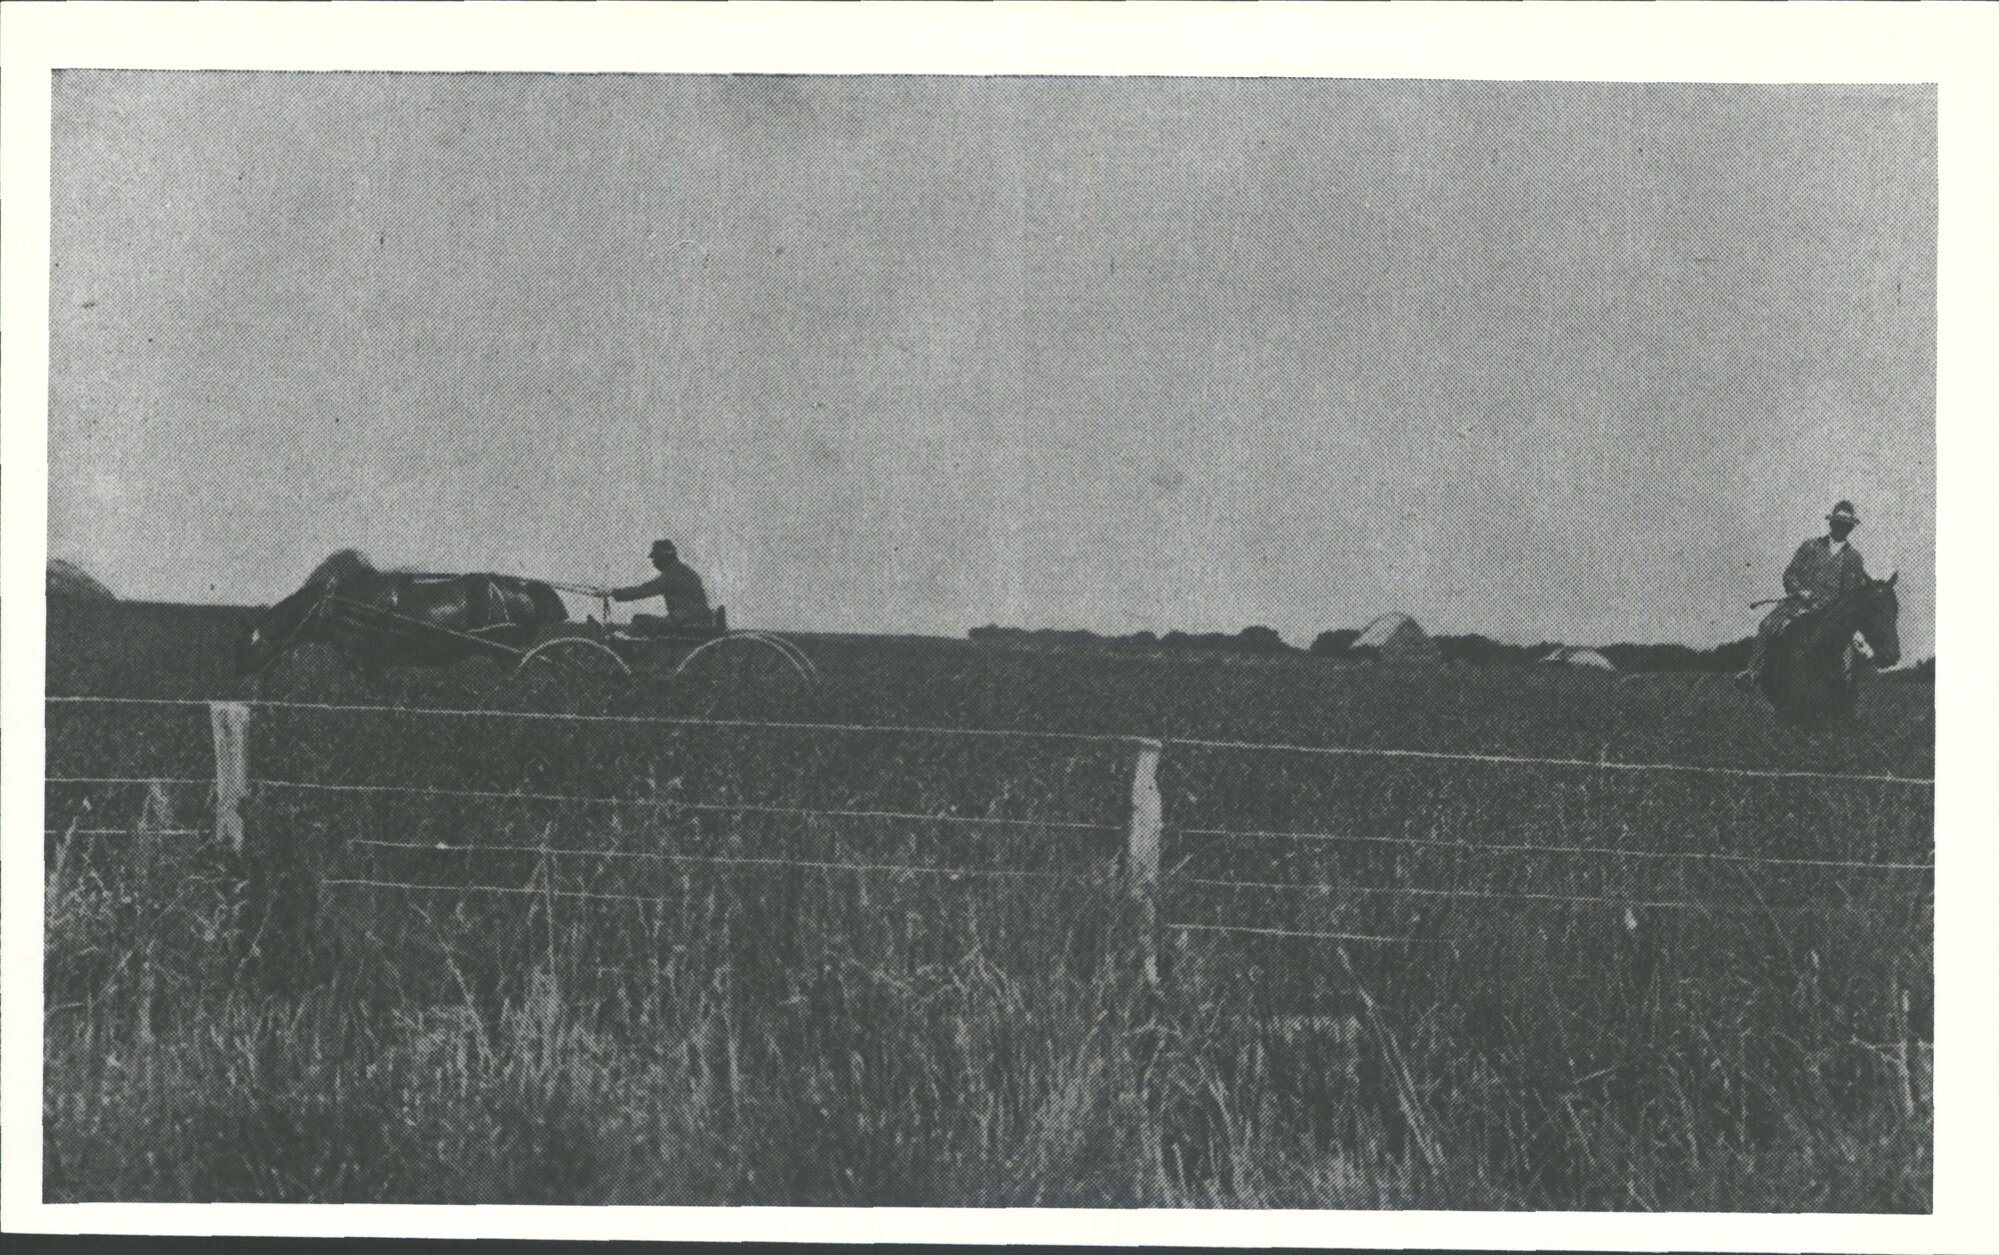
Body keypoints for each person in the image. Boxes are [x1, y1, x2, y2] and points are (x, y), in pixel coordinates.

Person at [1740, 501, 1871, 688]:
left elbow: (1852, 594)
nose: (1841, 528)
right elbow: (1790, 573)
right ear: (1831, 524)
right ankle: (1752, 673)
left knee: (1848, 650)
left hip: (1831, 612)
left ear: (1850, 528)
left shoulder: (1854, 558)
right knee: (1768, 626)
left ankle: (1846, 690)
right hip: (1799, 604)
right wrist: (1798, 590)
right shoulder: (1810, 546)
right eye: (1838, 523)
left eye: (1846, 525)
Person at [609, 539, 715, 630]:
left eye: (655, 558)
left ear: (663, 557)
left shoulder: (672, 574)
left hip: (683, 623)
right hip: (697, 622)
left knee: (640, 621)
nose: (653, 562)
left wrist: (613, 593)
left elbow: (645, 590)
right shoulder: (686, 571)